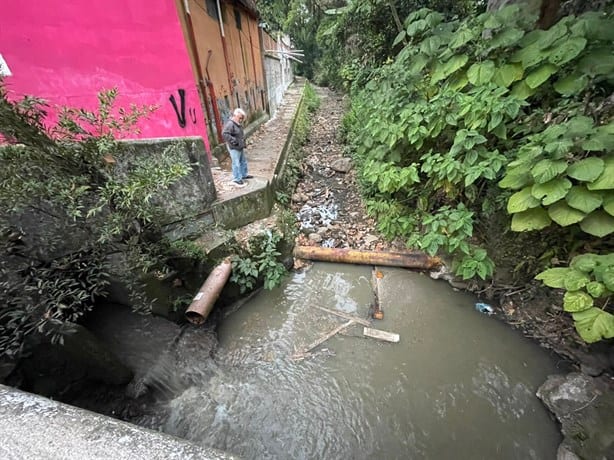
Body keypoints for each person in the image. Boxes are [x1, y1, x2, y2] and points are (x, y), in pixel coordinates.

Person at [222, 108, 253, 187]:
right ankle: (237, 179)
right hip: (234, 147)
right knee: (236, 163)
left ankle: (243, 174)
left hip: (239, 146)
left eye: (242, 118)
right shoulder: (230, 124)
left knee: (243, 161)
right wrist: (234, 141)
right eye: (240, 118)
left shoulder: (236, 123)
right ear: (235, 116)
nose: (241, 120)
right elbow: (225, 134)